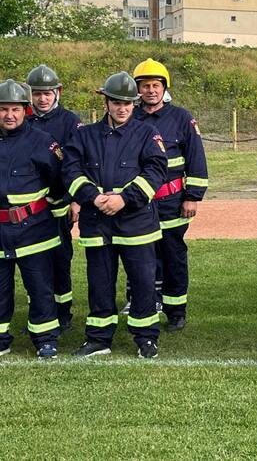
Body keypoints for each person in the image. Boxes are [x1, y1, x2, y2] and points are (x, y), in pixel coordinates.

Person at [63, 72, 167, 358]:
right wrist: (93, 197)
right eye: (116, 102)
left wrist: (124, 199)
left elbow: (156, 171)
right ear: (105, 101)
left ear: (135, 104)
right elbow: (70, 172)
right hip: (97, 222)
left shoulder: (147, 134)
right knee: (100, 282)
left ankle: (146, 337)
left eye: (128, 103)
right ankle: (98, 338)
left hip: (136, 222)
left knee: (144, 283)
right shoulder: (84, 135)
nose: (122, 108)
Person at [132, 58, 208, 332]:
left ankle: (176, 310)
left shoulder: (182, 118)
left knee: (173, 256)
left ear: (164, 88)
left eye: (155, 85)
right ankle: (140, 304)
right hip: (139, 204)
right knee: (139, 256)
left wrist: (193, 196)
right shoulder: (130, 116)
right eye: (144, 86)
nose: (150, 90)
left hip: (173, 203)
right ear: (136, 89)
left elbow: (196, 159)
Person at [0, 79, 66, 359]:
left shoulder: (42, 142)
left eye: (15, 109)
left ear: (25, 110)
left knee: (40, 287)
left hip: (35, 229)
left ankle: (45, 338)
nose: (9, 115)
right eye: (3, 109)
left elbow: (59, 180)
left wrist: (59, 212)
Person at [25, 64, 83, 331]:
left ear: (57, 92)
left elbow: (78, 163)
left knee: (60, 257)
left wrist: (74, 200)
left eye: (47, 93)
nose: (43, 98)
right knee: (35, 260)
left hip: (60, 204)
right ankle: (41, 309)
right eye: (37, 93)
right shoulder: (22, 120)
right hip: (30, 206)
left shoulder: (71, 122)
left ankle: (63, 312)